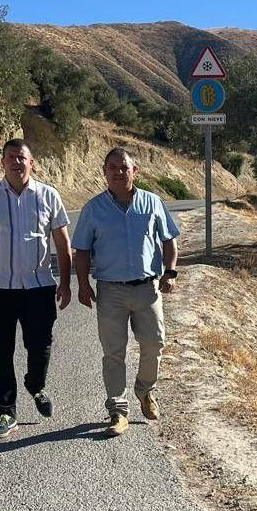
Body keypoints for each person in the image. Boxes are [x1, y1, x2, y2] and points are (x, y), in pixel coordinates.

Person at [0, 139, 73, 438]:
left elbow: (62, 244)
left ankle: (35, 385)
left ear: (31, 162)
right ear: (2, 162)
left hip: (38, 287)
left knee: (41, 346)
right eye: (11, 157)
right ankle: (5, 411)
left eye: (22, 157)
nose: (16, 162)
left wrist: (66, 283)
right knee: (0, 351)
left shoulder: (48, 196)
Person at [72, 146, 180, 437]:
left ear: (135, 171)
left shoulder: (152, 202)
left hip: (148, 288)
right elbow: (81, 250)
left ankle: (145, 390)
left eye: (124, 167)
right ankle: (117, 411)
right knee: (114, 352)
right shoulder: (93, 209)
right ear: (104, 172)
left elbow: (169, 241)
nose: (119, 172)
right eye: (113, 168)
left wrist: (169, 272)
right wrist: (82, 285)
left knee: (155, 344)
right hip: (111, 291)